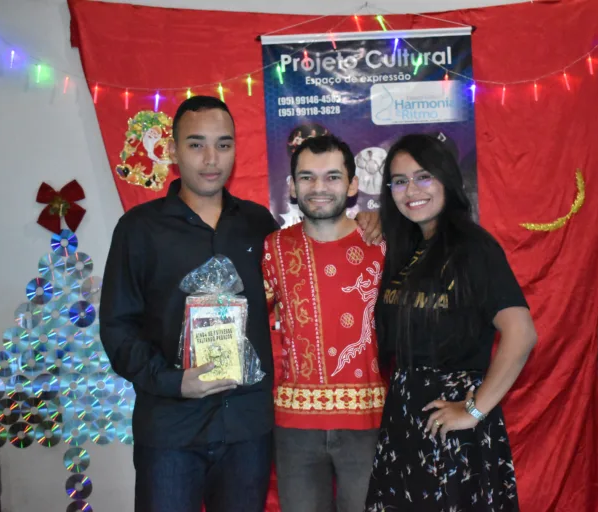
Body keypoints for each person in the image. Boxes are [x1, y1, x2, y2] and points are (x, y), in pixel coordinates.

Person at [99, 95, 382, 512]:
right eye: (196, 144)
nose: (211, 158)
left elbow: (313, 261)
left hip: (248, 430)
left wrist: (368, 220)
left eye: (224, 144)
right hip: (172, 428)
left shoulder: (259, 227)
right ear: (174, 151)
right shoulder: (139, 229)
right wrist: (173, 381)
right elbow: (117, 327)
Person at [364, 134, 537, 512]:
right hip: (405, 416)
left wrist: (473, 410)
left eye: (423, 176)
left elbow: (521, 332)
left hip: (450, 419)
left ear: (447, 180)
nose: (411, 190)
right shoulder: (408, 247)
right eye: (398, 180)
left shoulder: (472, 247)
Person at [262, 135, 387, 512]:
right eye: (307, 178)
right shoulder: (273, 247)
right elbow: (249, 323)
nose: (319, 188)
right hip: (293, 425)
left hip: (368, 422)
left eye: (332, 177)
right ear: (292, 187)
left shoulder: (382, 244)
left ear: (352, 185)